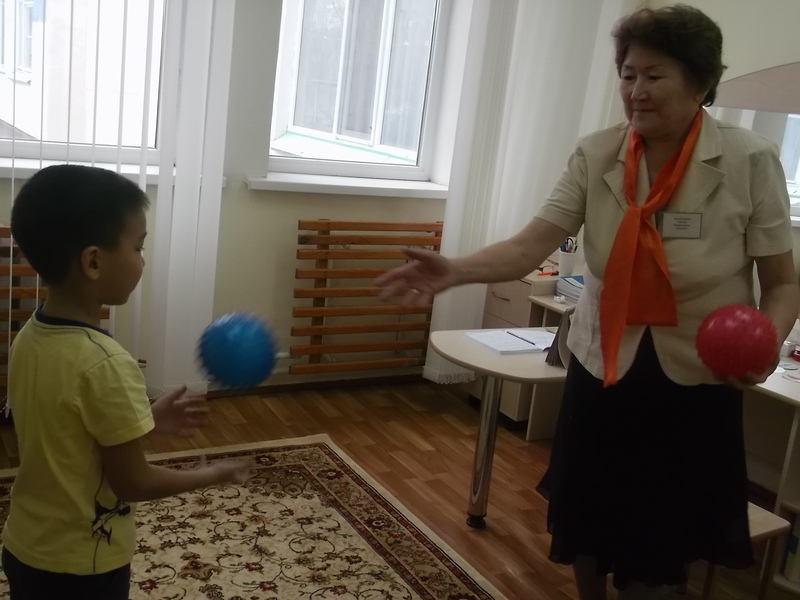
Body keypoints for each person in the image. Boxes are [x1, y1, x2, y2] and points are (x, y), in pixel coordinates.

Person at [375, 5, 800, 599]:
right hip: (603, 364)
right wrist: (456, 270)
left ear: (701, 82)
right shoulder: (597, 153)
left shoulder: (749, 160)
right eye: (628, 74)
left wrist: (767, 343)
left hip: (698, 378)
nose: (636, 90)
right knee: (589, 517)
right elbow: (529, 246)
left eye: (655, 75)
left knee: (662, 536)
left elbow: (782, 283)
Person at [1, 164, 252, 600]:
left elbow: (70, 436)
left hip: (25, 547)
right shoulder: (107, 363)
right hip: (83, 566)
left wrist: (145, 419)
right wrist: (209, 475)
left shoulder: (30, 336)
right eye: (138, 247)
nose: (142, 260)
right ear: (93, 262)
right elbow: (133, 483)